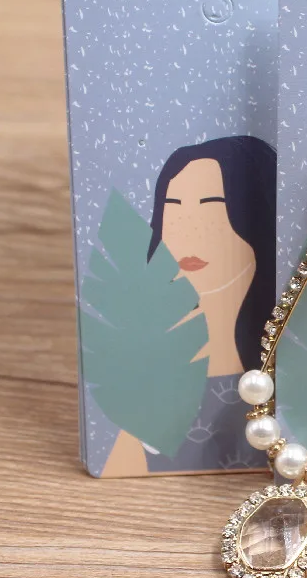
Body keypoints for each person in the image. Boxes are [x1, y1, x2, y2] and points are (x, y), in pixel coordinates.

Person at [102, 136, 275, 476]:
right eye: (174, 207)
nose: (189, 231)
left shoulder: (290, 355)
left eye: (212, 207)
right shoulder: (159, 372)